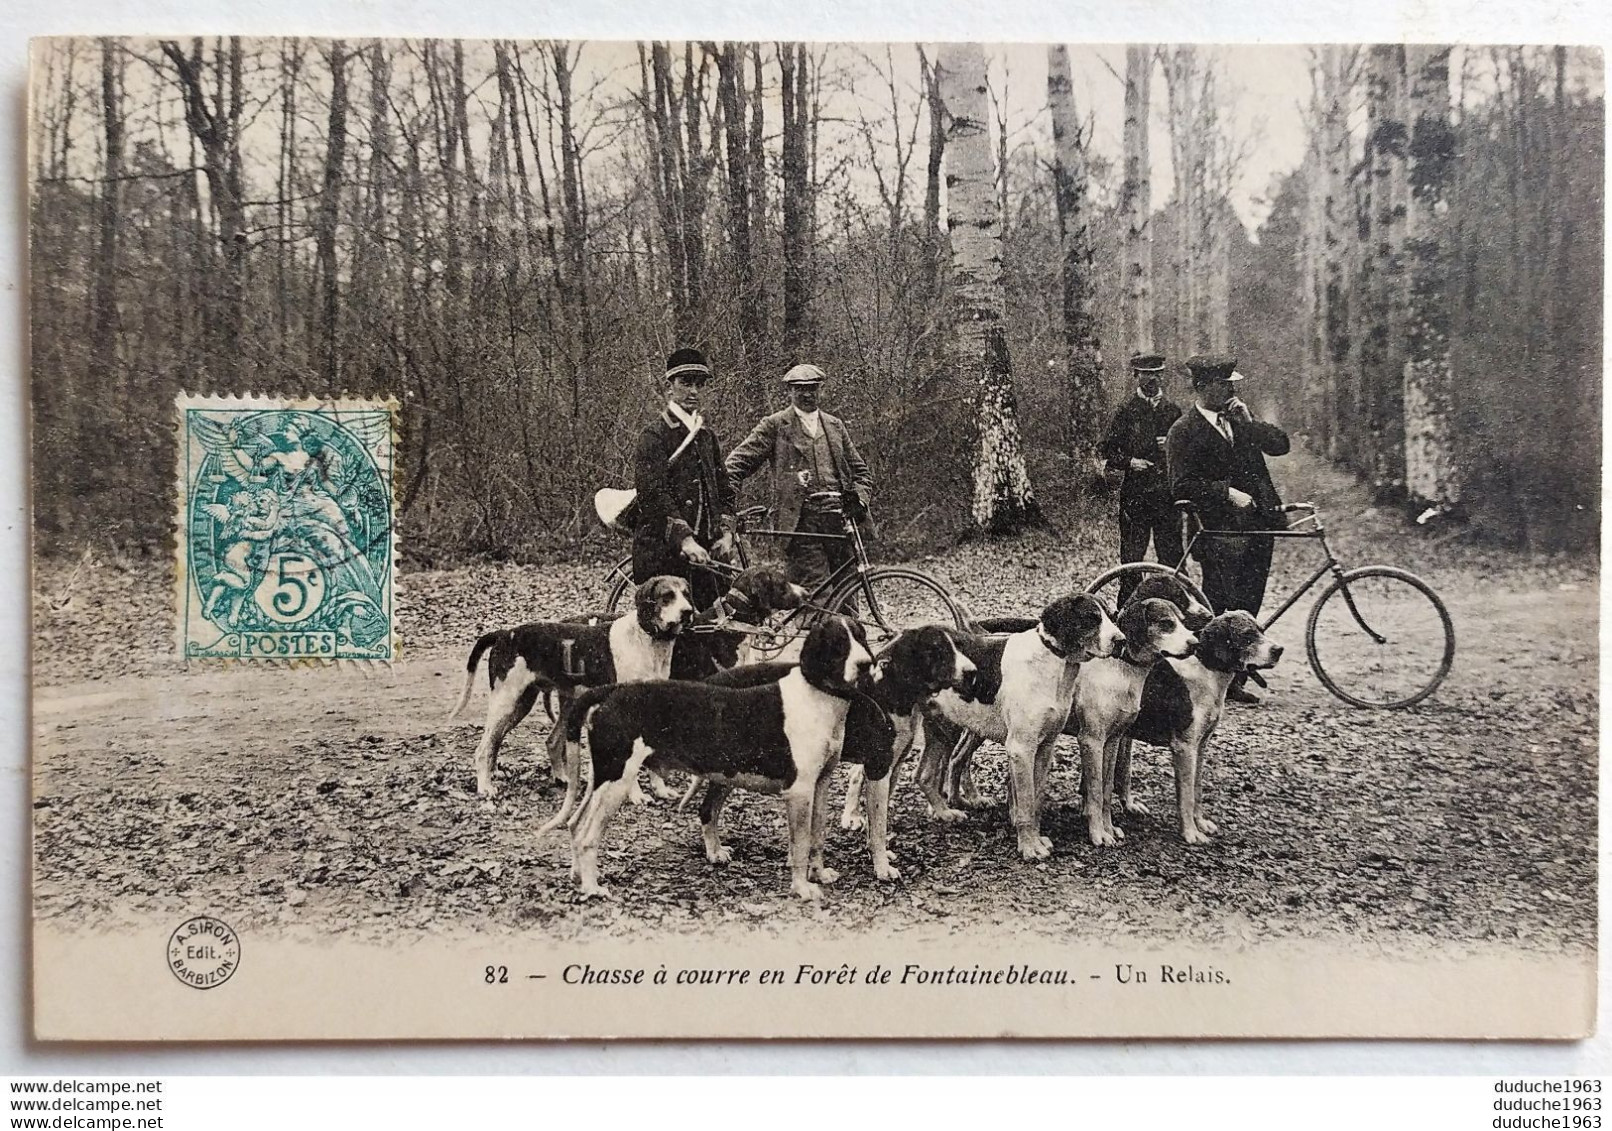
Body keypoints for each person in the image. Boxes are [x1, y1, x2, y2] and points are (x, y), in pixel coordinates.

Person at [1165, 355, 1291, 704]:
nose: (1231, 389)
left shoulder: (1238, 420)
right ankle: (1207, 676)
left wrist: (1250, 421)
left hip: (1256, 528)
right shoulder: (1183, 430)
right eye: (1224, 384)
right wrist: (1226, 493)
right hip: (1217, 530)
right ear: (1202, 387)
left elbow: (1281, 445)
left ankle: (1235, 678)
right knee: (1220, 604)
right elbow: (1180, 485)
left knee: (1249, 602)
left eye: (1232, 384)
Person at [725, 363, 874, 592]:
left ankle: (848, 628)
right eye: (799, 388)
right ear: (789, 391)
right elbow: (737, 464)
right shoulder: (775, 425)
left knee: (848, 591)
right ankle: (814, 628)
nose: (806, 394)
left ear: (820, 389)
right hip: (801, 521)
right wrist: (725, 503)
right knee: (816, 593)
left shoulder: (835, 426)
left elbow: (861, 473)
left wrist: (859, 500)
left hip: (839, 521)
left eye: (812, 388)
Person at [632, 347, 736, 611]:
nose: (693, 391)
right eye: (686, 383)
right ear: (670, 387)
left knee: (715, 628)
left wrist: (726, 534)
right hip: (664, 554)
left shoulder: (706, 436)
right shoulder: (653, 436)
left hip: (706, 554)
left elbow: (725, 491)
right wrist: (685, 539)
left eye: (699, 385)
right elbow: (652, 495)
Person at [1100, 351, 1184, 604]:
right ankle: (1127, 615)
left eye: (1157, 374)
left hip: (1167, 496)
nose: (1152, 379)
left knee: (1172, 560)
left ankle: (1178, 614)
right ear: (1136, 375)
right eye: (1146, 374)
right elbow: (1106, 448)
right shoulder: (1126, 411)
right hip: (1136, 497)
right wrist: (1129, 462)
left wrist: (1170, 445)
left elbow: (1188, 452)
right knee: (1131, 562)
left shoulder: (1173, 411)